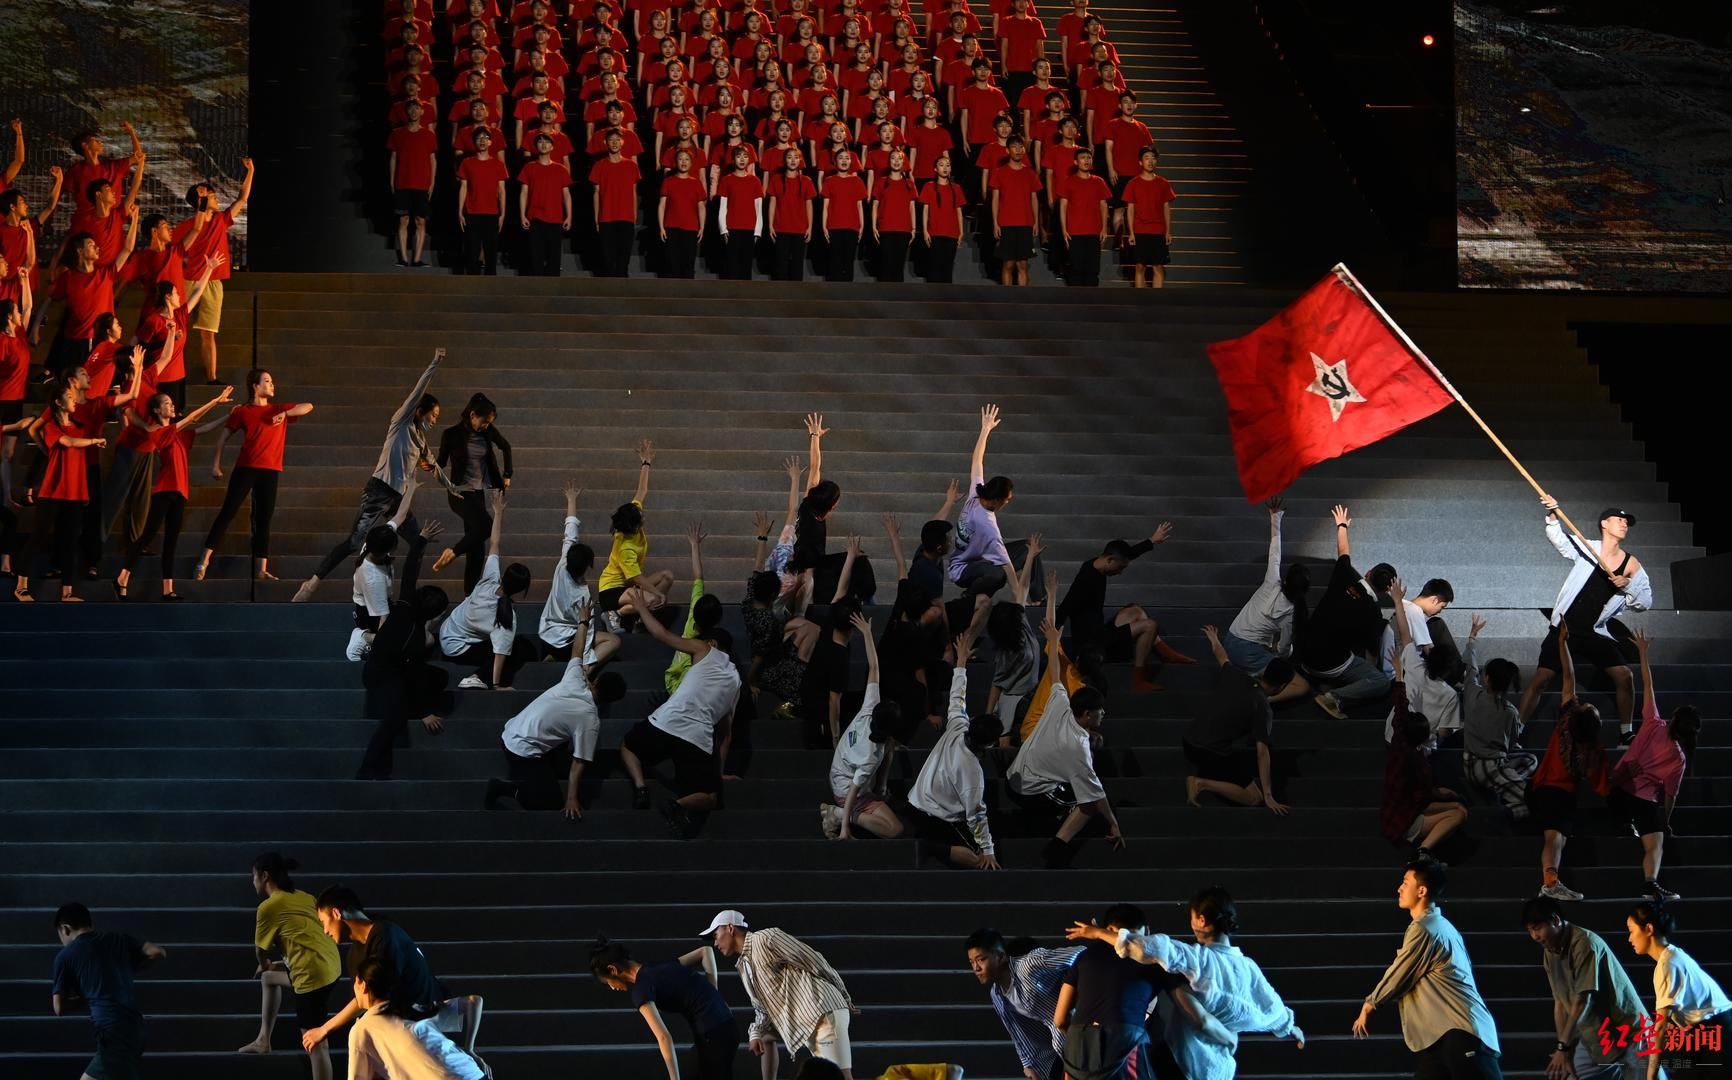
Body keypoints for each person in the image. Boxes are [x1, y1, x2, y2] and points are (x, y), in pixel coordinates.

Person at [1068, 886, 1304, 1080]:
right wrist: (1289, 1028)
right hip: (1218, 1069)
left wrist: (1098, 933)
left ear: (1201, 920)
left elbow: (1139, 946)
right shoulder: (1249, 968)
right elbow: (1273, 1008)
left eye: (1192, 917)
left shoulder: (1195, 958)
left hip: (1184, 1060)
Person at [296, 348, 445, 601]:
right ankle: (311, 583)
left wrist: (454, 487)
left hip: (398, 498)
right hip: (379, 490)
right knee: (354, 542)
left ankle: (406, 596)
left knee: (418, 541)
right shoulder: (401, 422)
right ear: (420, 411)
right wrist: (435, 362)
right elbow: (417, 392)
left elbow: (436, 466)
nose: (434, 420)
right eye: (433, 415)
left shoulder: (420, 439)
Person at [1352, 859, 1503, 1079]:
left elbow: (1399, 973)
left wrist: (1370, 1004)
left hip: (1460, 1032)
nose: (1399, 888)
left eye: (1405, 882)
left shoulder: (1425, 928)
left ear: (1421, 890)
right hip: (1439, 1038)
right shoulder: (1439, 926)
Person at [1518, 497, 1652, 740]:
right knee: (1541, 678)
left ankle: (1626, 733)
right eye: (1619, 520)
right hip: (1565, 629)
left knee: (1625, 676)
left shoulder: (1631, 563)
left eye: (1626, 522)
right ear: (1604, 524)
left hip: (1595, 632)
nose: (1624, 525)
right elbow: (1559, 540)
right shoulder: (1587, 546)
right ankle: (1515, 731)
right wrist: (1553, 514)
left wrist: (1628, 585)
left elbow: (1645, 602)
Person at [619, 584, 741, 837]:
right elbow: (725, 734)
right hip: (697, 738)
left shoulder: (705, 649)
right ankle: (677, 804)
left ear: (713, 642)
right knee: (710, 797)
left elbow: (662, 634)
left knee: (628, 747)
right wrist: (718, 773)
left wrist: (642, 608)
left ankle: (641, 786)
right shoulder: (736, 682)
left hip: (667, 722)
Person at [1010, 611, 1125, 870]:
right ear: (1086, 715)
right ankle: (1057, 848)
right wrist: (1113, 823)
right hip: (1028, 789)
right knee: (1086, 806)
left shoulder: (1061, 702)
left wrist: (1052, 638)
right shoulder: (1079, 747)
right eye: (1099, 712)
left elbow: (1054, 668)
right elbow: (1097, 795)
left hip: (1017, 770)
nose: (1103, 715)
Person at [704, 911, 858, 1080]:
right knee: (764, 1035)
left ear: (730, 928)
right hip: (805, 1016)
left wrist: (844, 996)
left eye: (716, 935)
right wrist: (755, 1034)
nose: (715, 942)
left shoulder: (766, 938)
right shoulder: (745, 967)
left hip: (822, 1010)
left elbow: (814, 959)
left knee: (842, 1077)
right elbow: (762, 1010)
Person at [114, 386, 235, 601]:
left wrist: (229, 415)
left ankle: (167, 589)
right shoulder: (160, 432)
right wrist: (216, 401)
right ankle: (122, 578)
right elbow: (192, 418)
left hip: (180, 492)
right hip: (165, 490)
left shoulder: (178, 433)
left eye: (171, 403)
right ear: (158, 411)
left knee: (171, 541)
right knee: (147, 536)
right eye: (167, 403)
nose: (172, 405)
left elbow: (203, 428)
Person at [907, 610, 1003, 870]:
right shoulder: (971, 770)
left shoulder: (959, 726)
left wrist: (961, 661)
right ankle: (931, 847)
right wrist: (988, 850)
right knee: (980, 859)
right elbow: (976, 814)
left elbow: (957, 696)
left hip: (917, 799)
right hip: (933, 815)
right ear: (988, 744)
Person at [197, 368, 314, 582]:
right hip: (246, 468)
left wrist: (285, 413)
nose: (272, 385)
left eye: (272, 381)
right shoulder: (243, 411)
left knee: (264, 519)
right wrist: (216, 465)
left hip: (270, 471)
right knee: (228, 512)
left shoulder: (278, 409)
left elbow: (308, 406)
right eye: (267, 381)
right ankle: (203, 560)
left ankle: (261, 570)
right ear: (255, 386)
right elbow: (222, 438)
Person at [238, 854, 343, 1080]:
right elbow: (305, 938)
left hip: (311, 974)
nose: (252, 881)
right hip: (331, 965)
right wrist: (272, 967)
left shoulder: (268, 907)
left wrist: (265, 963)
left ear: (264, 876)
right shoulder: (304, 897)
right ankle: (263, 1040)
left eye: (253, 876)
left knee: (316, 1043)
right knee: (269, 978)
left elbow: (260, 951)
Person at [1521, 896, 1650, 1080]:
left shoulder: (1584, 943)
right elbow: (1560, 1002)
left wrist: (1563, 1046)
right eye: (1530, 931)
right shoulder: (1550, 952)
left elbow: (1583, 999)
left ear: (1556, 920)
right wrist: (1562, 1045)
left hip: (1629, 1032)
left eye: (1537, 928)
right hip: (1596, 1037)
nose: (1535, 936)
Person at [305, 887, 448, 1053]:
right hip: (399, 1029)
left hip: (423, 1026)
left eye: (323, 922)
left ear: (336, 913)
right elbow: (363, 999)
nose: (325, 931)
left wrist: (325, 1029)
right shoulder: (355, 954)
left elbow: (373, 994)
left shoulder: (386, 935)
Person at [1526, 621, 1610, 902]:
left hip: (1541, 788)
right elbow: (1601, 785)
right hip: (1561, 795)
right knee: (1554, 839)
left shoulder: (1565, 720)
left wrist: (1562, 644)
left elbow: (1569, 679)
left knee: (1556, 839)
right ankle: (1550, 882)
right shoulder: (1594, 748)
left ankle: (1551, 880)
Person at [1610, 629, 1696, 903]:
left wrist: (1643, 652)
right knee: (1655, 841)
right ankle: (1650, 883)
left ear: (1673, 719)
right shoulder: (1679, 757)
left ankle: (1623, 822)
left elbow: (1647, 686)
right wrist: (1666, 822)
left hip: (1617, 789)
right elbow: (1670, 796)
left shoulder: (1652, 723)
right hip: (1642, 801)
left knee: (1635, 814)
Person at [1055, 525, 1192, 693]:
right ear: (1110, 560)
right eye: (1120, 568)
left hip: (1100, 631)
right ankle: (1138, 679)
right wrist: (1052, 637)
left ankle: (1164, 652)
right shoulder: (1086, 580)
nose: (1120, 573)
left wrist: (1151, 541)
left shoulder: (1095, 564)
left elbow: (1126, 554)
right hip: (1094, 644)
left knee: (1136, 610)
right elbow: (1066, 606)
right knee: (1149, 625)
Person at [1051, 903, 1176, 1080]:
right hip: (1124, 1041)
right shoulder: (1151, 958)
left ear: (1109, 928)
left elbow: (1059, 1020)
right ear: (1146, 931)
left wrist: (1083, 1041)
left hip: (1078, 1045)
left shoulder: (1084, 957)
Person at [592, 938, 741, 1080]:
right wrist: (713, 994)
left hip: (714, 1035)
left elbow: (663, 1037)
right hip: (724, 1028)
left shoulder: (641, 990)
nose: (612, 987)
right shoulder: (658, 966)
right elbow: (705, 952)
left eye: (608, 983)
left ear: (613, 970)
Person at [1183, 625, 1293, 816]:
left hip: (1188, 739)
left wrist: (1214, 638)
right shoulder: (1262, 707)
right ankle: (1200, 783)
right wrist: (1268, 794)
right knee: (1253, 798)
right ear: (1282, 686)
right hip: (1208, 752)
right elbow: (1262, 752)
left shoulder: (1236, 675)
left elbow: (1222, 657)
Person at [51, 902, 167, 1080]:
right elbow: (157, 951)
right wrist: (129, 968)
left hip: (113, 1033)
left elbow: (58, 1008)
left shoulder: (65, 956)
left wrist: (85, 995)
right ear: (91, 924)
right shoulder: (118, 940)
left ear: (65, 929)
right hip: (135, 1029)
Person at [821, 611, 911, 840]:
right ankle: (839, 815)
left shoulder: (869, 709)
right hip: (845, 790)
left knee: (890, 747)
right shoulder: (871, 754)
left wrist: (867, 634)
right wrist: (845, 829)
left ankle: (878, 792)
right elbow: (854, 788)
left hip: (840, 770)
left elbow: (874, 668)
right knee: (895, 830)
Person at [1302, 504, 1396, 719]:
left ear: (1369, 572)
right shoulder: (1373, 612)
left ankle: (1322, 680)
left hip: (1305, 655)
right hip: (1330, 665)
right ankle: (1333, 697)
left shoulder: (1345, 576)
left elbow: (1343, 552)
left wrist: (1342, 525)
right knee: (1379, 682)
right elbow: (1371, 655)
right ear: (1385, 590)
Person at [439, 489, 535, 689]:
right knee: (517, 649)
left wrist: (498, 512)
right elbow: (500, 653)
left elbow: (494, 544)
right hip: (458, 648)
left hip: (447, 630)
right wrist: (497, 684)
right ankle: (477, 677)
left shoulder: (489, 579)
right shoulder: (506, 616)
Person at [1382, 641, 1469, 860]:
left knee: (1457, 806)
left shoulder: (1400, 744)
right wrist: (1441, 793)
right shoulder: (1419, 762)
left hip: (1403, 807)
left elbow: (1401, 710)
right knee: (1458, 814)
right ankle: (1423, 851)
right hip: (1406, 818)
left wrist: (1400, 677)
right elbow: (1422, 794)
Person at [948, 404, 1045, 599]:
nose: (1007, 503)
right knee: (998, 574)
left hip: (979, 559)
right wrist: (1018, 600)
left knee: (1028, 548)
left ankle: (1038, 597)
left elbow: (977, 461)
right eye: (1006, 500)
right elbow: (1008, 569)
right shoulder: (988, 525)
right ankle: (970, 596)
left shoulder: (976, 493)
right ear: (996, 500)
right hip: (962, 570)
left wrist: (985, 429)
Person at [356, 582, 452, 781]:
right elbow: (413, 676)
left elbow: (410, 572)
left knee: (439, 677)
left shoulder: (403, 609)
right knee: (394, 717)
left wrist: (416, 550)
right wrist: (424, 713)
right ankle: (367, 769)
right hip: (381, 676)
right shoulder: (415, 637)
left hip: (394, 669)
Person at [1220, 498, 1311, 703]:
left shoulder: (1272, 582)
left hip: (1230, 639)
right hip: (1249, 652)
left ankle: (1246, 676)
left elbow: (1275, 553)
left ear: (1285, 580)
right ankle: (1257, 701)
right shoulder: (1291, 614)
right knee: (1301, 685)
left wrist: (1275, 517)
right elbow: (1285, 650)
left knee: (1268, 655)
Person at [1625, 901, 1730, 1079]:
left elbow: (1661, 1027)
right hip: (1711, 1030)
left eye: (1631, 930)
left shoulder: (1668, 964)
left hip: (1717, 1033)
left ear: (1648, 929)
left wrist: (1651, 1074)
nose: (1629, 938)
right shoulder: (1672, 956)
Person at [174, 158, 254, 384]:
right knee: (177, 326)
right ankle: (172, 370)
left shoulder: (220, 220)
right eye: (213, 196)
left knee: (208, 332)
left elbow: (242, 198)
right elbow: (171, 250)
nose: (217, 199)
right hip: (189, 279)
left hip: (213, 281)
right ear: (201, 200)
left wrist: (251, 172)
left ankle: (212, 377)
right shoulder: (187, 226)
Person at [964, 929, 1082, 1080]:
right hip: (1054, 1049)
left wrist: (1075, 990)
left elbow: (1080, 953)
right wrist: (1027, 1065)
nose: (976, 968)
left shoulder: (1028, 965)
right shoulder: (996, 994)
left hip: (1079, 1031)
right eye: (971, 962)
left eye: (981, 959)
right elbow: (1017, 1033)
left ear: (1000, 956)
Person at [347, 957, 485, 1080]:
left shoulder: (362, 1028)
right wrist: (469, 1048)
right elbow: (474, 1001)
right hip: (472, 1072)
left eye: (355, 982)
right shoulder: (412, 1008)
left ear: (363, 985)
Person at [433, 393, 513, 594]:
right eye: (484, 421)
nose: (486, 426)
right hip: (459, 493)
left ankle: (469, 597)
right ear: (472, 415)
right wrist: (425, 461)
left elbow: (506, 446)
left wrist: (507, 474)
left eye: (489, 423)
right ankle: (452, 552)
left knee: (477, 550)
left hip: (477, 494)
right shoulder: (451, 434)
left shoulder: (487, 432)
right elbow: (441, 462)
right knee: (486, 526)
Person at [538, 477, 622, 670]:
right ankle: (583, 671)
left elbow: (570, 530)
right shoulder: (582, 595)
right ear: (587, 566)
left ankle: (556, 656)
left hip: (547, 632)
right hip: (567, 638)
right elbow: (586, 628)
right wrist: (585, 661)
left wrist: (571, 500)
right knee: (613, 642)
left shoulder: (562, 566)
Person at [1459, 613, 1534, 822]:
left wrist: (1472, 638)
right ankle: (1503, 814)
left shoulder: (1473, 693)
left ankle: (1505, 787)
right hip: (1490, 767)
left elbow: (1470, 667)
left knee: (1530, 760)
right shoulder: (1510, 711)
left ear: (1488, 678)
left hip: (1470, 763)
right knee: (1533, 801)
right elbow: (1511, 745)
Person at [597, 439, 674, 630]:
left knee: (667, 576)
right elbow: (637, 579)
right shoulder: (625, 547)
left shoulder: (632, 515)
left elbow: (641, 491)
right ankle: (616, 614)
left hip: (628, 588)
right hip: (611, 591)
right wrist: (658, 594)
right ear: (633, 527)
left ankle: (639, 617)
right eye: (641, 518)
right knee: (655, 598)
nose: (643, 516)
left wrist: (646, 462)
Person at [387, 102, 438, 266]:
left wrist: (432, 183)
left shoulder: (429, 135)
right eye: (410, 108)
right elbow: (393, 158)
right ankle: (403, 258)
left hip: (421, 184)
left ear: (422, 111)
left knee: (420, 221)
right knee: (403, 220)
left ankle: (417, 259)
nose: (414, 111)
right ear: (406, 112)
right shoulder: (397, 134)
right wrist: (392, 181)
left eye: (417, 108)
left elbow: (432, 160)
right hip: (403, 183)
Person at [454, 127, 508, 274]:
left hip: (491, 213)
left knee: (491, 251)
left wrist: (503, 213)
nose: (482, 141)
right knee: (472, 250)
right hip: (472, 212)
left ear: (490, 142)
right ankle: (472, 282)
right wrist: (460, 212)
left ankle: (490, 284)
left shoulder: (498, 164)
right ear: (474, 142)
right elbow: (463, 188)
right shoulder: (466, 163)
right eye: (478, 138)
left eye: (485, 138)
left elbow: (502, 190)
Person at [518, 131, 573, 275]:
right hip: (535, 217)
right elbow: (524, 193)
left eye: (547, 142)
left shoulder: (561, 169)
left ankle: (553, 290)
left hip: (555, 218)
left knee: (554, 257)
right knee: (536, 256)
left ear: (552, 147)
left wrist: (569, 216)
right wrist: (522, 215)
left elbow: (566, 194)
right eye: (540, 142)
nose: (543, 144)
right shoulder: (529, 167)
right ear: (536, 146)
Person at [989, 137, 1042, 286]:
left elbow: (1034, 199)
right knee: (1008, 264)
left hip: (1025, 223)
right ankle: (1007, 299)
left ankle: (1022, 300)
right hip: (1006, 223)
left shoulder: (1030, 173)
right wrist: (995, 223)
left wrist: (1036, 222)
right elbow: (995, 200)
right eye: (1014, 147)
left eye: (1021, 147)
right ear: (1007, 150)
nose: (1018, 150)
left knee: (1023, 265)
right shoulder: (999, 172)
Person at [591, 129, 642, 276]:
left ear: (623, 142)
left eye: (617, 139)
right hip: (606, 217)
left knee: (623, 259)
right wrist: (597, 218)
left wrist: (634, 216)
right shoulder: (599, 166)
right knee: (608, 259)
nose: (614, 143)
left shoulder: (631, 166)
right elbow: (596, 194)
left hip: (626, 217)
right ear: (605, 142)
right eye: (611, 140)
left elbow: (634, 192)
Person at [1121, 146, 1174, 288]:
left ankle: (1157, 301)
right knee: (1140, 267)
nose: (1150, 161)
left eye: (1153, 158)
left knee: (1158, 267)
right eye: (1146, 158)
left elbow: (1166, 208)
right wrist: (1131, 233)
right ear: (1140, 162)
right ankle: (1141, 301)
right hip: (1140, 231)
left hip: (1158, 231)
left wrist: (1168, 231)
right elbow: (1130, 210)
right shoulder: (1133, 183)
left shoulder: (1163, 183)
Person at [1057, 148, 1110, 286]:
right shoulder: (1068, 181)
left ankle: (1092, 304)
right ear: (1076, 162)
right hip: (1075, 232)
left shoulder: (1099, 182)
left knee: (1093, 269)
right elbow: (1063, 206)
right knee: (1076, 268)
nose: (1086, 160)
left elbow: (1103, 205)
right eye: (1083, 157)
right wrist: (1064, 229)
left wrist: (1104, 228)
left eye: (1089, 157)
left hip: (1094, 232)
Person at [766, 149, 817, 280]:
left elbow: (809, 205)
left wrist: (810, 227)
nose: (793, 160)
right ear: (784, 160)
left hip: (799, 229)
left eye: (796, 157)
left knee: (797, 264)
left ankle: (796, 296)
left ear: (800, 160)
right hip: (781, 227)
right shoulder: (776, 179)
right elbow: (772, 203)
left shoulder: (806, 181)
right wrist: (770, 225)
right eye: (789, 157)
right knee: (781, 263)